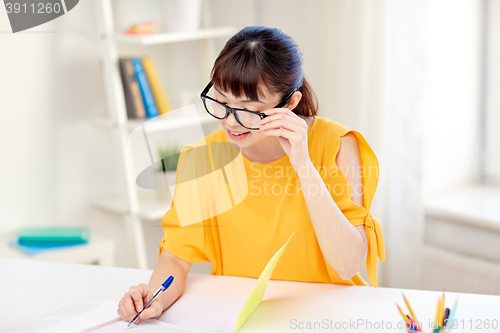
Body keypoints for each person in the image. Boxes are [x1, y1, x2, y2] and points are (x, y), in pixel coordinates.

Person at [117, 26, 385, 323]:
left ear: (290, 103)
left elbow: (348, 265)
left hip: (327, 316)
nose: (230, 122)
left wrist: (303, 163)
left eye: (248, 109)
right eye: (222, 102)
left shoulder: (338, 146)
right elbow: (176, 258)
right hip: (242, 317)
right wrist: (153, 299)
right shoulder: (204, 158)